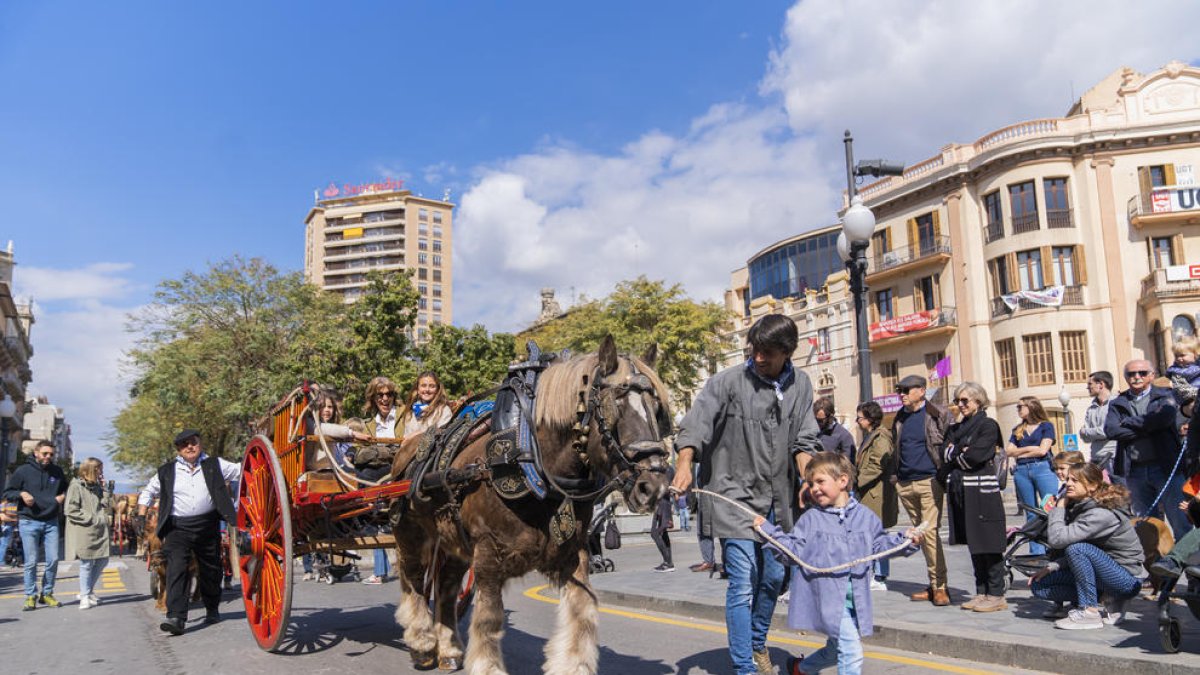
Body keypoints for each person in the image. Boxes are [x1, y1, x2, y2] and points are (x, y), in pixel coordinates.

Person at [671, 314, 821, 675]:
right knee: (742, 581)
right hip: (732, 494)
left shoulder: (800, 384)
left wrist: (810, 479)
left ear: (787, 352)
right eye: (754, 349)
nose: (757, 357)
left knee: (772, 578)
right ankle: (745, 668)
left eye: (767, 352)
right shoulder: (726, 383)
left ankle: (756, 644)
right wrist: (684, 463)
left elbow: (804, 440)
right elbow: (697, 423)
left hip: (778, 500)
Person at [755, 452, 920, 675]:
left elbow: (880, 545)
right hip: (829, 601)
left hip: (856, 601)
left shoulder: (865, 516)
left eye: (820, 482)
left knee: (835, 650)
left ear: (842, 481)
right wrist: (769, 532)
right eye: (810, 484)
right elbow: (791, 550)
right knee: (851, 651)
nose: (814, 489)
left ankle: (800, 669)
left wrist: (905, 540)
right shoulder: (811, 519)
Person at [137, 430, 241, 635]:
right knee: (177, 569)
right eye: (184, 444)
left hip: (207, 524)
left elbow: (242, 471)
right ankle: (176, 617)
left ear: (199, 444)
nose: (190, 447)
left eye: (193, 442)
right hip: (178, 528)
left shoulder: (215, 465)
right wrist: (141, 515)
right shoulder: (167, 471)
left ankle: (212, 608)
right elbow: (149, 491)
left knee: (211, 569)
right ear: (178, 449)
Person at [1030, 463, 1144, 629]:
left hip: (1126, 581)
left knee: (1077, 549)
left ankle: (1089, 612)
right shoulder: (1082, 507)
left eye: (1075, 480)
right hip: (1102, 575)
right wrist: (1052, 567)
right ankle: (1098, 598)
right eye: (1068, 479)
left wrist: (1059, 507)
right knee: (1039, 584)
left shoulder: (1101, 513)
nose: (1068, 483)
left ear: (1092, 486)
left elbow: (1057, 539)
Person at [940, 382, 1009, 613]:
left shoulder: (988, 425)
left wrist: (957, 453)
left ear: (978, 401)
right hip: (962, 491)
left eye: (965, 400)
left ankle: (996, 594)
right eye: (958, 400)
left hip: (983, 490)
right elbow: (945, 454)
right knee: (974, 544)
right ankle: (981, 591)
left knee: (989, 543)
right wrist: (961, 450)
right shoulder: (955, 427)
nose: (960, 405)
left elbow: (977, 456)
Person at [1104, 359, 1191, 538]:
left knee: (1179, 520)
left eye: (1142, 373)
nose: (1136, 377)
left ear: (1151, 376)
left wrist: (1127, 423)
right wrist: (1148, 428)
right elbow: (1111, 430)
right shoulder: (1117, 403)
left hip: (1166, 469)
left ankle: (1187, 562)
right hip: (1134, 471)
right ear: (1125, 377)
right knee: (1146, 524)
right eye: (1131, 374)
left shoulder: (1165, 396)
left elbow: (1164, 419)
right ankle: (1157, 563)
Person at [886, 374, 951, 606]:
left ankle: (940, 587)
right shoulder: (900, 417)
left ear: (921, 391)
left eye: (906, 390)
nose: (901, 395)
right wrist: (896, 479)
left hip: (929, 481)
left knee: (930, 534)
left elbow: (946, 445)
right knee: (921, 538)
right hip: (905, 482)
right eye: (899, 391)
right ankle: (932, 584)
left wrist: (942, 474)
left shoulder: (938, 414)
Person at [4, 440, 67, 610]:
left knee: (53, 559)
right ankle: (30, 596)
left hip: (51, 521)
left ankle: (46, 594)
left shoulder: (57, 472)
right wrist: (22, 493)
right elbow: (8, 492)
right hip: (28, 521)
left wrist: (62, 497)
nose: (48, 457)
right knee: (31, 561)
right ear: (36, 453)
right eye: (45, 453)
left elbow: (66, 489)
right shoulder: (23, 471)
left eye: (51, 454)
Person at [361, 377, 402, 584]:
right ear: (373, 398)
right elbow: (363, 452)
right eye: (380, 395)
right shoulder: (368, 425)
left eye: (389, 394)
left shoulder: (405, 415)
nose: (385, 399)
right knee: (364, 473)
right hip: (377, 469)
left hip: (401, 466)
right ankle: (375, 517)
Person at [1006, 397, 1059, 555]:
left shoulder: (1046, 426)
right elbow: (1009, 451)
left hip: (1042, 468)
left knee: (1048, 510)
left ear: (1031, 407)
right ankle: (1036, 553)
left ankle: (1053, 550)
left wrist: (1020, 451)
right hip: (1022, 471)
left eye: (1021, 406)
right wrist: (1030, 448)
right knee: (1030, 513)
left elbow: (1043, 450)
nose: (1018, 409)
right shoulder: (1018, 429)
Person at [853, 401, 897, 591]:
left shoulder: (881, 437)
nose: (857, 421)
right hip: (869, 492)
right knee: (869, 534)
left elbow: (876, 465)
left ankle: (880, 576)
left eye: (860, 418)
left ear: (870, 419)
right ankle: (873, 572)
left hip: (876, 493)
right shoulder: (871, 436)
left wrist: (857, 481)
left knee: (877, 535)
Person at [65, 457, 112, 610]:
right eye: (99, 469)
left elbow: (104, 505)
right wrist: (94, 519)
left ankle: (88, 591)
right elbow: (70, 510)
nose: (101, 472)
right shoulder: (76, 486)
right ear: (92, 470)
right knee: (86, 563)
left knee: (102, 560)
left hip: (99, 531)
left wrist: (105, 490)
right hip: (84, 530)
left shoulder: (97, 486)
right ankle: (84, 596)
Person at [1079, 371, 1118, 480]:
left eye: (1090, 384)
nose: (1087, 387)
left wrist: (1086, 431)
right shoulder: (1091, 408)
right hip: (1095, 458)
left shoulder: (1116, 403)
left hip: (1113, 458)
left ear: (1101, 384)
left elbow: (1108, 431)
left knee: (1119, 491)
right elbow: (1084, 438)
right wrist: (1088, 433)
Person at [402, 371, 454, 438]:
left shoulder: (444, 411)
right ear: (418, 388)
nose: (427, 389)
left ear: (437, 389)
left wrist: (419, 434)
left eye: (432, 386)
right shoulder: (410, 411)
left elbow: (444, 435)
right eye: (423, 385)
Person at [814, 397, 855, 463]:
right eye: (815, 419)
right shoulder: (813, 431)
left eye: (820, 420)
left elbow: (849, 463)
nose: (817, 423)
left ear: (830, 417)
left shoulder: (844, 436)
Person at [650, 473, 675, 572]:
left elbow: (665, 488)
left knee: (655, 533)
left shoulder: (666, 470)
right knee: (663, 534)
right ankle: (669, 563)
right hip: (661, 505)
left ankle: (667, 562)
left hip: (662, 506)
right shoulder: (662, 470)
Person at [1166, 337, 1200, 403]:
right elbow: (1182, 391)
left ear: (1195, 354)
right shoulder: (1175, 372)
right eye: (1176, 356)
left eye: (1182, 355)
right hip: (1187, 404)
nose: (1178, 358)